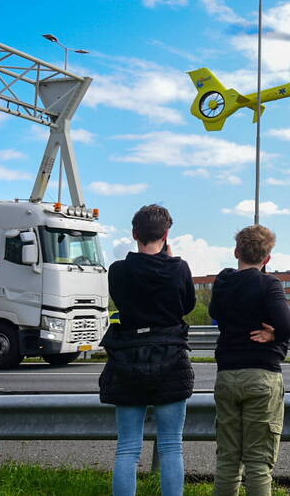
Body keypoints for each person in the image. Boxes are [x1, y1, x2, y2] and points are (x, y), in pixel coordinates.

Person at [99, 204, 196, 496]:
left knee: (127, 447)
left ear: (134, 234)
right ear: (166, 235)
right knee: (171, 446)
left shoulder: (117, 271)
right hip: (170, 356)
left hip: (128, 357)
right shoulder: (179, 268)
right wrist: (168, 256)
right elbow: (188, 305)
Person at [209, 225, 290, 496]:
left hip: (227, 376)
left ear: (236, 251)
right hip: (261, 376)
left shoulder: (223, 284)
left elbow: (214, 312)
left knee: (227, 460)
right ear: (267, 258)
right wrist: (273, 335)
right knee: (258, 463)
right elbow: (287, 326)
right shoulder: (269, 284)